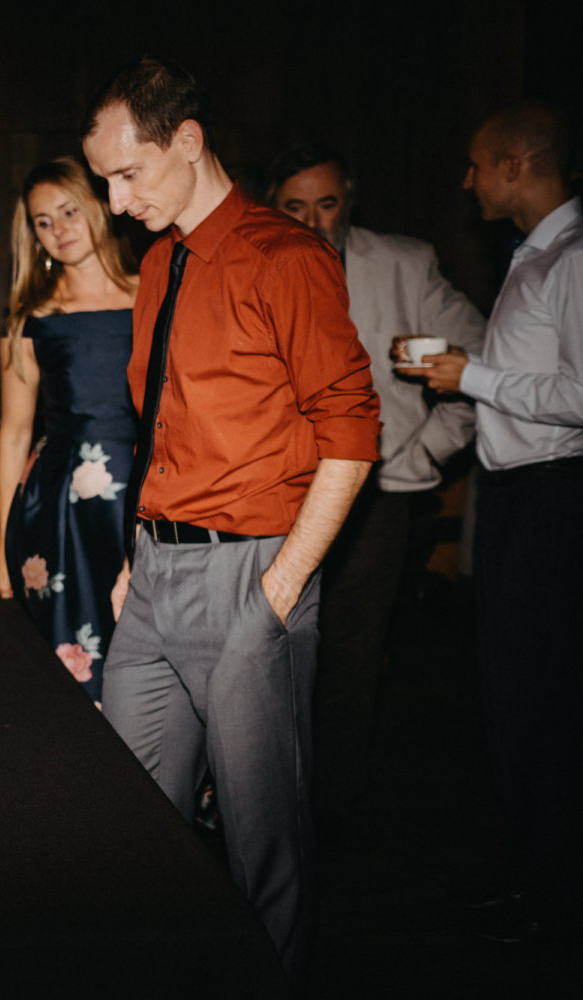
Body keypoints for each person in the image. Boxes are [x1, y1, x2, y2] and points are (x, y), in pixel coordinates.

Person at [80, 57, 380, 980]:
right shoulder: (159, 263)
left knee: (263, 840)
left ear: (188, 141)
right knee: (133, 821)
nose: (117, 200)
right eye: (104, 181)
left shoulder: (285, 257)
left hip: (251, 572)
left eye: (128, 173)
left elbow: (353, 434)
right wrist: (135, 553)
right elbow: (159, 429)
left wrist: (280, 589)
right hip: (154, 576)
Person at [401, 102, 582, 947]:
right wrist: (469, 371)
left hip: (554, 499)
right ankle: (534, 876)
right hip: (518, 496)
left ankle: (552, 898)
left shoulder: (572, 257)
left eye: (477, 164)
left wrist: (472, 378)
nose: (467, 180)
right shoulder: (535, 252)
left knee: (543, 698)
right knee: (515, 695)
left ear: (516, 164)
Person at [266, 142, 485, 829]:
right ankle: (265, 796)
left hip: (376, 493)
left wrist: (422, 450)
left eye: (327, 203)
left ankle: (329, 805)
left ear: (350, 200)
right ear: (273, 207)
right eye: (296, 207)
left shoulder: (404, 263)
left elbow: (487, 362)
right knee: (268, 647)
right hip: (275, 494)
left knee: (352, 650)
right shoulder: (254, 265)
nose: (314, 221)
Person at [0, 157, 138, 705]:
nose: (59, 229)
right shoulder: (29, 319)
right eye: (43, 221)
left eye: (70, 211)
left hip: (147, 497)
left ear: (101, 206)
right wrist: (2, 543)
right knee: (67, 666)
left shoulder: (156, 296)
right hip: (58, 512)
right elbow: (13, 435)